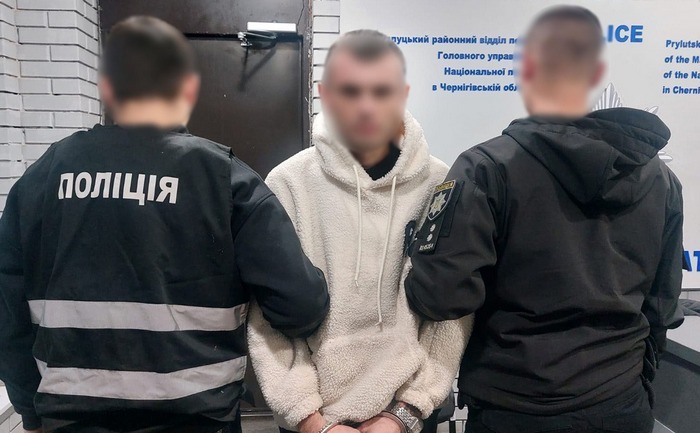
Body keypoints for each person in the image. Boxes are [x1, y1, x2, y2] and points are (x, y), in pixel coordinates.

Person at [0, 16, 329, 433]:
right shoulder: (226, 180)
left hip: (71, 423)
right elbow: (301, 306)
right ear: (187, 90)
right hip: (199, 423)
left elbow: (8, 317)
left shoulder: (41, 179)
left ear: (106, 88)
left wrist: (30, 414)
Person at [404, 6, 684, 433]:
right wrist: (639, 385)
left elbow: (440, 297)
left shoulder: (486, 168)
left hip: (513, 408)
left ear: (529, 71)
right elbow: (662, 306)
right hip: (621, 404)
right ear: (595, 74)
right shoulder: (662, 180)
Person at [247, 30, 473, 433]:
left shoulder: (439, 183)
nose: (366, 106)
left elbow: (451, 313)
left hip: (406, 418)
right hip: (313, 419)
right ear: (326, 94)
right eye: (351, 91)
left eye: (381, 91)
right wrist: (309, 419)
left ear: (402, 94)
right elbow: (266, 312)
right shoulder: (288, 183)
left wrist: (406, 413)